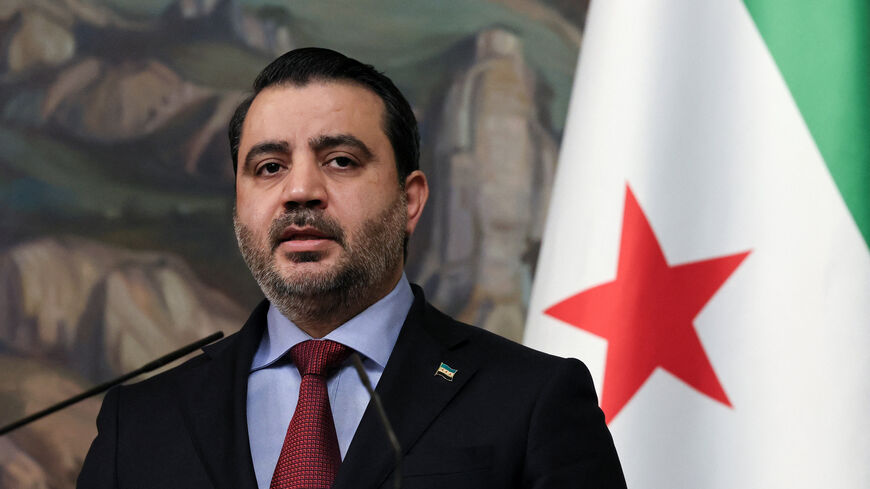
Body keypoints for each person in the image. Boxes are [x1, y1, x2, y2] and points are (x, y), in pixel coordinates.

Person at [77, 47, 626, 489]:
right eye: (269, 167)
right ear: (239, 202)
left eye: (340, 161)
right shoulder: (141, 422)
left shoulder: (531, 399)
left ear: (409, 201)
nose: (299, 192)